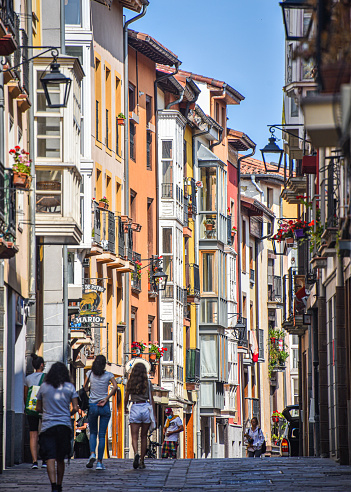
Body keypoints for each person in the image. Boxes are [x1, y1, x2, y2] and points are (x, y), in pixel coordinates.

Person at [36, 362, 79, 492]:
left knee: (50, 457)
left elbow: (38, 407)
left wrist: (48, 412)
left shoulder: (43, 387)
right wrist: (67, 413)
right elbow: (76, 408)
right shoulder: (70, 387)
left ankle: (53, 485)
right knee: (61, 458)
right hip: (64, 426)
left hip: (48, 426)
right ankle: (59, 485)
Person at [84, 354, 118, 470]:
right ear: (104, 365)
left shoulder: (89, 374)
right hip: (104, 406)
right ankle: (99, 462)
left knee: (93, 432)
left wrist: (91, 389)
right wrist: (107, 398)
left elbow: (85, 388)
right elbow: (115, 386)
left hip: (93, 405)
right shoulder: (109, 375)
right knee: (102, 435)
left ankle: (92, 453)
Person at [124, 362, 155, 470]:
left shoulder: (130, 382)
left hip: (135, 407)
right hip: (145, 407)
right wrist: (153, 414)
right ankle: (142, 460)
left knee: (134, 435)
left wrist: (125, 407)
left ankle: (136, 453)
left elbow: (126, 397)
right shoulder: (148, 383)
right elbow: (152, 399)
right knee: (144, 436)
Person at [24, 353, 46, 469]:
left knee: (33, 434)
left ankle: (34, 461)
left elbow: (25, 395)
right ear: (42, 365)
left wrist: (26, 407)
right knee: (43, 434)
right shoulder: (46, 377)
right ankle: (44, 459)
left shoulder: (28, 378)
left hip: (31, 408)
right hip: (43, 408)